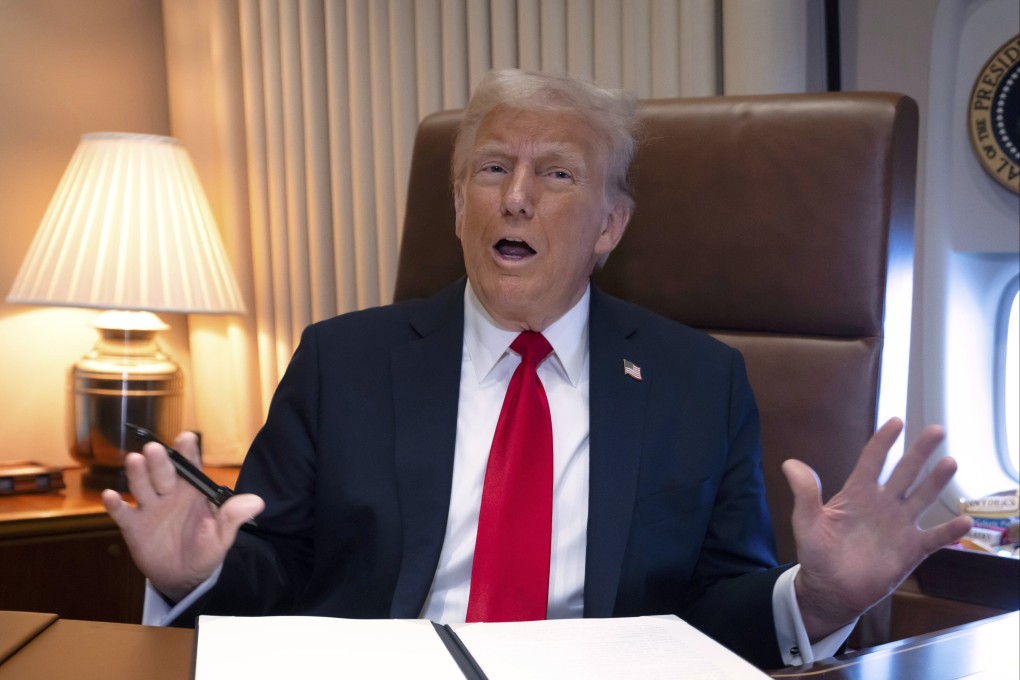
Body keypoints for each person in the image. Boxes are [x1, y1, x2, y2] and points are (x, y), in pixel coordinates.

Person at [102, 69, 972, 669]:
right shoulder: (344, 361)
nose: (516, 196)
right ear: (458, 204)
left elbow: (716, 610)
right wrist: (197, 575)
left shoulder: (698, 383)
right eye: (492, 169)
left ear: (608, 227)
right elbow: (277, 570)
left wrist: (816, 603)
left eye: (556, 173)